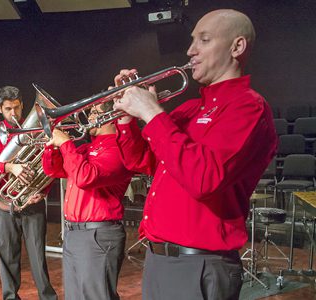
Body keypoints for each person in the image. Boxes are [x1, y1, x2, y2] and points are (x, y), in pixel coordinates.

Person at [112, 9, 278, 299]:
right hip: (159, 259)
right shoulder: (190, 109)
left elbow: (205, 179)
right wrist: (126, 120)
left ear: (236, 47)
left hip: (199, 264)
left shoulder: (248, 107)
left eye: (204, 40)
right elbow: (142, 160)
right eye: (192, 41)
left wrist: (151, 113)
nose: (190, 51)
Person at [42, 101, 134, 300]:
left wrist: (66, 144)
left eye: (94, 112)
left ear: (113, 117)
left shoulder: (119, 150)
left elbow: (85, 177)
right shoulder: (85, 148)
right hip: (75, 233)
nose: (88, 117)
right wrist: (52, 146)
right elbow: (54, 170)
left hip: (98, 235)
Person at [0, 86, 57, 300]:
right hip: (4, 204)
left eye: (17, 108)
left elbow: (48, 165)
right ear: (0, 108)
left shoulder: (36, 130)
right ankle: (10, 297)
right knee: (7, 254)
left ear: (23, 106)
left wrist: (43, 192)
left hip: (33, 201)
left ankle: (47, 297)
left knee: (38, 255)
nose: (14, 113)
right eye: (8, 108)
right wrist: (9, 167)